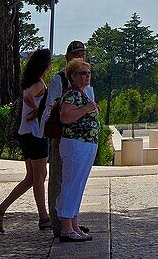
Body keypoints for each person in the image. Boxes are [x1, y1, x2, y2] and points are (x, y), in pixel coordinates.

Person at [0, 47, 53, 234]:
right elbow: (28, 97)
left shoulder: (30, 81)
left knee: (32, 177)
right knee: (39, 176)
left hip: (25, 133)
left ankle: (0, 210)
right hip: (35, 134)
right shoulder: (39, 83)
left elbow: (26, 95)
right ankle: (43, 218)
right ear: (46, 65)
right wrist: (37, 110)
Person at [42, 40, 92, 239]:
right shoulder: (60, 80)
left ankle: (71, 220)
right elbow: (50, 108)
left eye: (83, 54)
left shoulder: (85, 82)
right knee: (60, 180)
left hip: (82, 140)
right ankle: (59, 223)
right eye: (76, 54)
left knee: (74, 182)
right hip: (65, 137)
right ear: (68, 58)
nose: (80, 57)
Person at [57, 57, 101, 241]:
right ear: (73, 76)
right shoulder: (71, 95)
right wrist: (87, 109)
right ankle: (66, 228)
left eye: (89, 73)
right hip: (76, 144)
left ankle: (74, 223)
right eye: (83, 73)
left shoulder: (82, 94)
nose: (87, 76)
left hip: (85, 144)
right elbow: (65, 117)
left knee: (78, 185)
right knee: (71, 184)